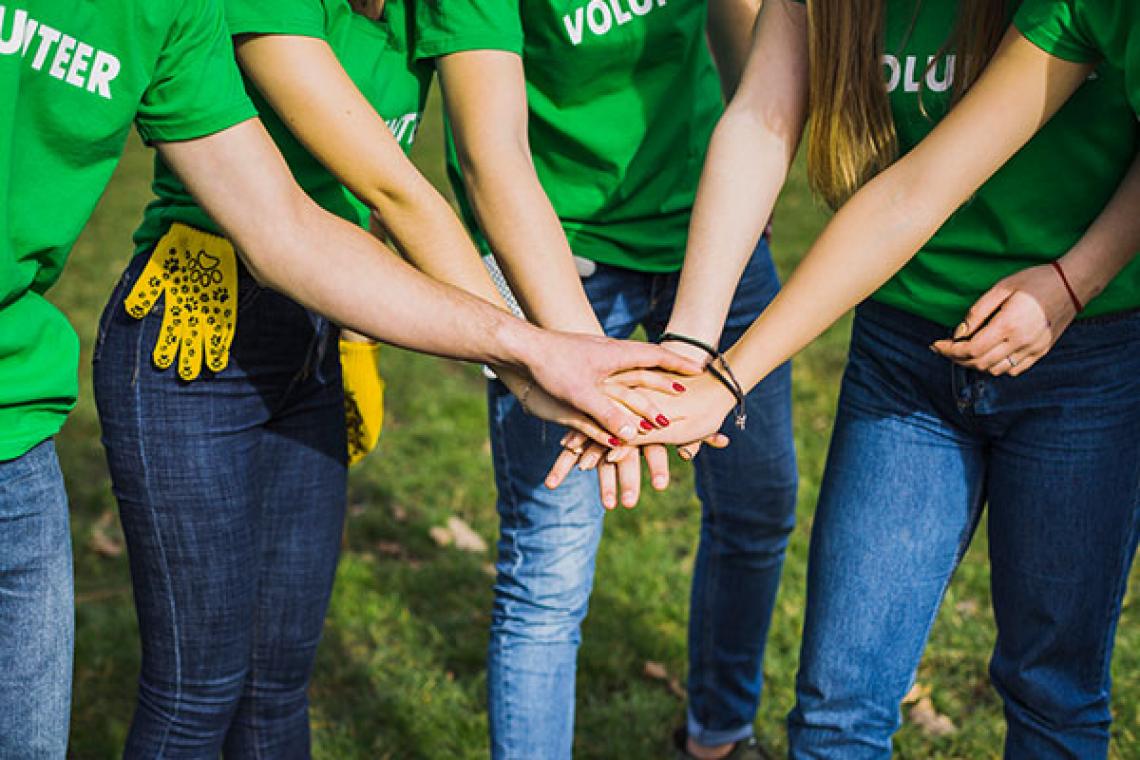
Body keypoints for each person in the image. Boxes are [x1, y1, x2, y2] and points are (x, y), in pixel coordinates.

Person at [0, 0, 699, 755]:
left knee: (276, 691)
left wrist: (540, 362)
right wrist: (530, 356)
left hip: (311, 334)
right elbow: (391, 194)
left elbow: (488, 167)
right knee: (195, 695)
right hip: (194, 336)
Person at [561, 0, 1139, 756]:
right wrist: (688, 353)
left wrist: (1074, 281)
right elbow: (759, 123)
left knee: (1052, 690)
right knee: (838, 707)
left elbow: (917, 190)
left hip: (1085, 362)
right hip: (906, 352)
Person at [413, 1, 797, 757]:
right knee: (547, 572)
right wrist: (580, 358)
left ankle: (720, 736)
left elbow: (746, 28)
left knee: (757, 504)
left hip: (709, 236)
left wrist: (749, 190)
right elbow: (494, 160)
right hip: (562, 256)